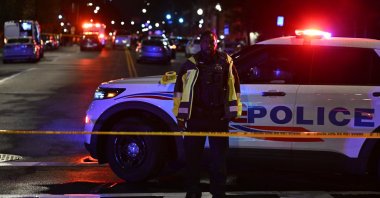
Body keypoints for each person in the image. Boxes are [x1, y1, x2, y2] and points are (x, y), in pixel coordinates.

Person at [172, 30, 242, 198]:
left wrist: (232, 112)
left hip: (218, 117)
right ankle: (193, 191)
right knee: (192, 158)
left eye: (211, 42)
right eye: (205, 42)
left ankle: (218, 191)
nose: (208, 45)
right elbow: (179, 92)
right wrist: (180, 117)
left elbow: (234, 89)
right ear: (200, 43)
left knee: (219, 159)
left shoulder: (226, 61)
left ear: (216, 43)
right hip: (196, 117)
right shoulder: (190, 64)